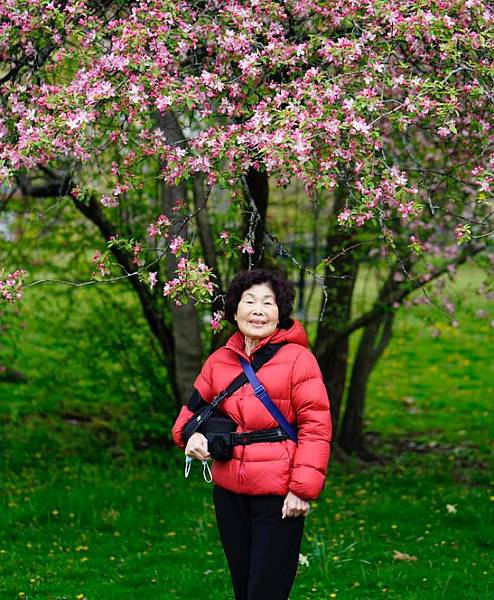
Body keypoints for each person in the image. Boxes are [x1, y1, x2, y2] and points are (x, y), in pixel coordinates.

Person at [172, 269, 331, 600]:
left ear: (280, 312)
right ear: (234, 310)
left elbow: (316, 427)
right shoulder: (219, 362)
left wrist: (302, 490)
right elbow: (187, 419)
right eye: (249, 301)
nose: (258, 309)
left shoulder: (299, 360)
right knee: (244, 590)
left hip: (279, 496)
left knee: (266, 592)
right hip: (229, 495)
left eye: (268, 302)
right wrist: (193, 438)